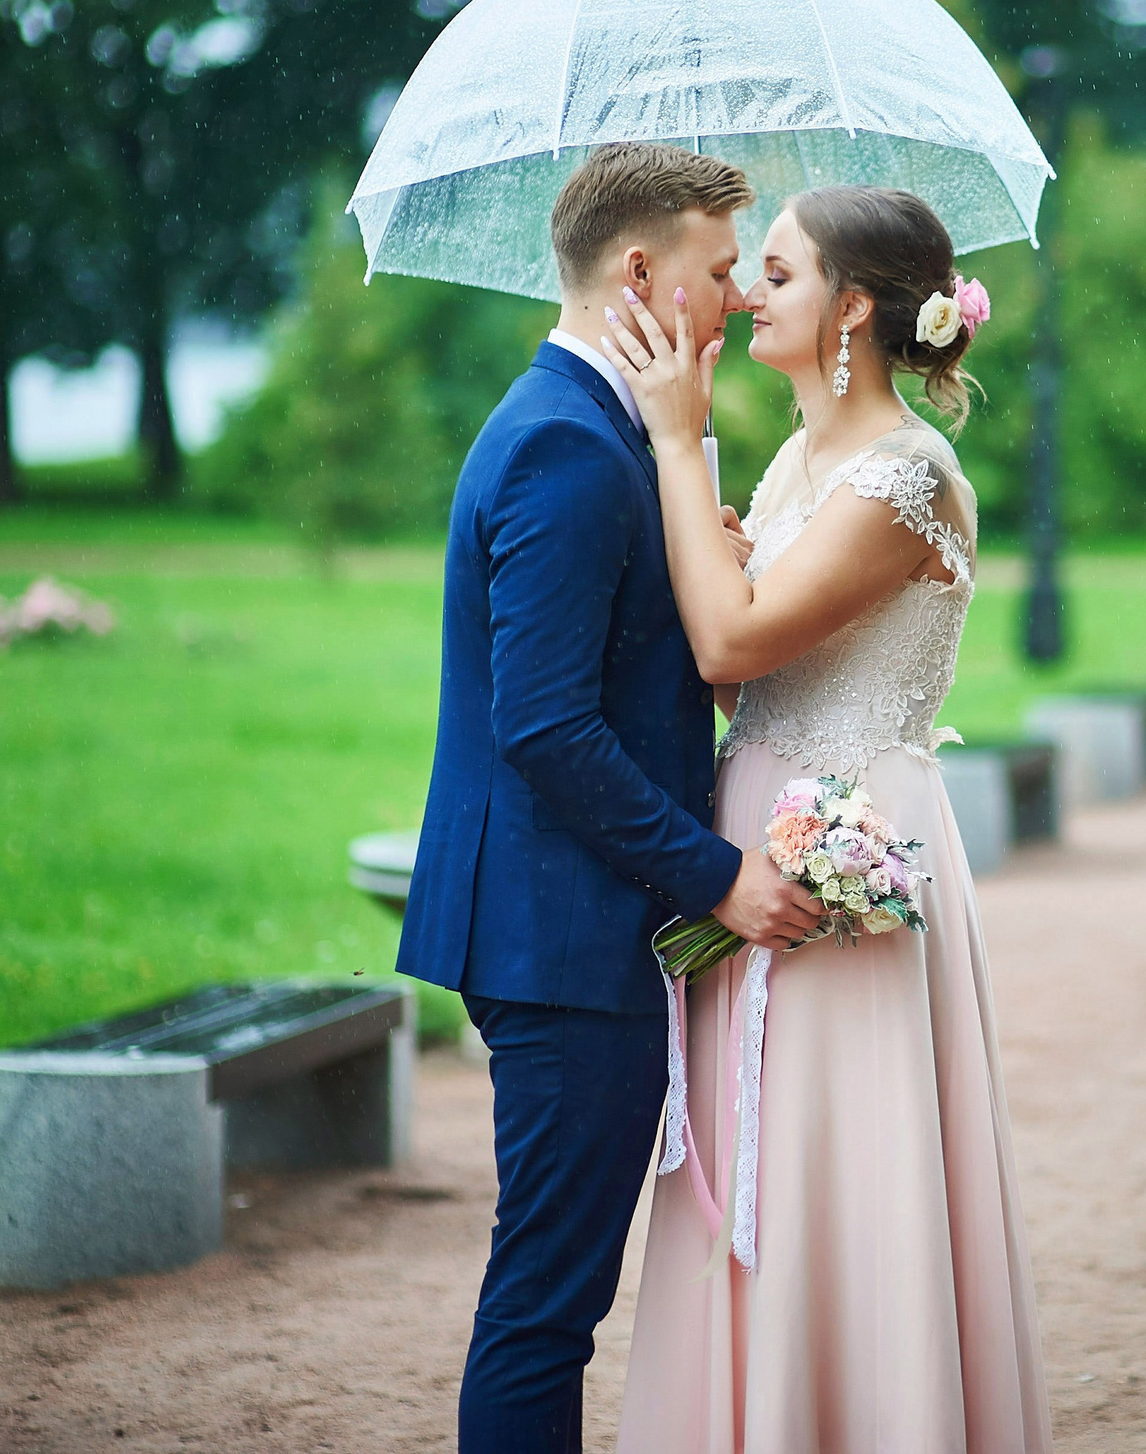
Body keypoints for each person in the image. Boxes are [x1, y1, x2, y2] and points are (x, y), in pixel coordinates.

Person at [600, 185, 1052, 1453]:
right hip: (754, 827)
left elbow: (728, 640)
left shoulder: (907, 478)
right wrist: (718, 540)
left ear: (851, 308)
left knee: (845, 1160)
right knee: (756, 1161)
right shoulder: (801, 463)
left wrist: (678, 444)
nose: (749, 292)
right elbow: (743, 680)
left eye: (780, 272)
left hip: (850, 842)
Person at [398, 141, 826, 1454]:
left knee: (553, 1292)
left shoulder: (597, 431)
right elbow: (544, 728)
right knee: (547, 1306)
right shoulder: (565, 447)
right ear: (638, 272)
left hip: (570, 927)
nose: (740, 294)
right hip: (560, 938)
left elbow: (611, 664)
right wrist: (717, 875)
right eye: (719, 267)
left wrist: (696, 560)